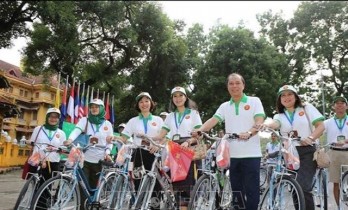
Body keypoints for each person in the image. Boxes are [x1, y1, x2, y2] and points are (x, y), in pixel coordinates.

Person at [196, 73, 265, 210]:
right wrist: (200, 130)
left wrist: (250, 132)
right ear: (227, 87)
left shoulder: (254, 101)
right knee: (237, 193)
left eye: (237, 83)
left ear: (243, 85)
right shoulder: (225, 106)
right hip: (232, 156)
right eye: (231, 83)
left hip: (251, 155)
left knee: (252, 192)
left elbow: (259, 120)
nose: (234, 86)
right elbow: (213, 120)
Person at [261, 84, 325, 210]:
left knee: (303, 186)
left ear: (296, 96)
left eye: (290, 94)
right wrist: (266, 124)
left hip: (308, 151)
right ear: (279, 100)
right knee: (295, 187)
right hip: (290, 154)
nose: (286, 97)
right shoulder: (279, 116)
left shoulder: (306, 108)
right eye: (283, 96)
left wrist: (311, 137)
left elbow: (321, 126)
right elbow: (275, 123)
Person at [156, 86, 202, 209]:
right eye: (175, 96)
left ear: (185, 97)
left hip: (189, 149)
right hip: (175, 149)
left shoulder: (193, 113)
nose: (178, 98)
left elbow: (198, 134)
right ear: (172, 99)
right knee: (176, 184)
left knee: (188, 185)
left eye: (180, 95)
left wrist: (189, 141)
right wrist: (151, 140)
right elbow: (161, 134)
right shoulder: (170, 116)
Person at [121, 92, 164, 210]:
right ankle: (138, 206)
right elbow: (124, 137)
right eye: (141, 102)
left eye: (146, 101)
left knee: (155, 185)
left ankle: (155, 207)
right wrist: (114, 138)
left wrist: (158, 145)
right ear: (138, 105)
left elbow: (165, 137)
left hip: (154, 156)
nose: (144, 104)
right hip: (138, 156)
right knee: (137, 182)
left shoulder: (159, 120)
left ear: (151, 103)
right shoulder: (132, 121)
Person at [65, 98, 114, 189]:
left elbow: (110, 142)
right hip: (84, 160)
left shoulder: (108, 124)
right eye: (92, 107)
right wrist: (70, 140)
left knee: (94, 188)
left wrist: (107, 153)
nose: (94, 109)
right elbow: (77, 130)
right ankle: (82, 203)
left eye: (97, 107)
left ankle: (92, 202)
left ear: (102, 108)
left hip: (99, 160)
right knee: (82, 187)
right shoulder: (85, 120)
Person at [28, 108, 66, 182]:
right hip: (37, 160)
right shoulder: (38, 129)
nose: (53, 119)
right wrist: (27, 142)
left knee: (48, 186)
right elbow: (31, 142)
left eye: (56, 117)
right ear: (47, 117)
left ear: (58, 119)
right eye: (51, 116)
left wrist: (61, 150)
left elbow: (63, 148)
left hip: (53, 161)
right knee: (36, 186)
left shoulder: (61, 133)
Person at [324, 96, 348, 207]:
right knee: (336, 183)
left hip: (347, 152)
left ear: (346, 106)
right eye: (337, 103)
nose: (339, 105)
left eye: (342, 103)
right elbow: (318, 132)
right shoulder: (327, 122)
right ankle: (338, 206)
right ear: (334, 106)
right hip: (333, 153)